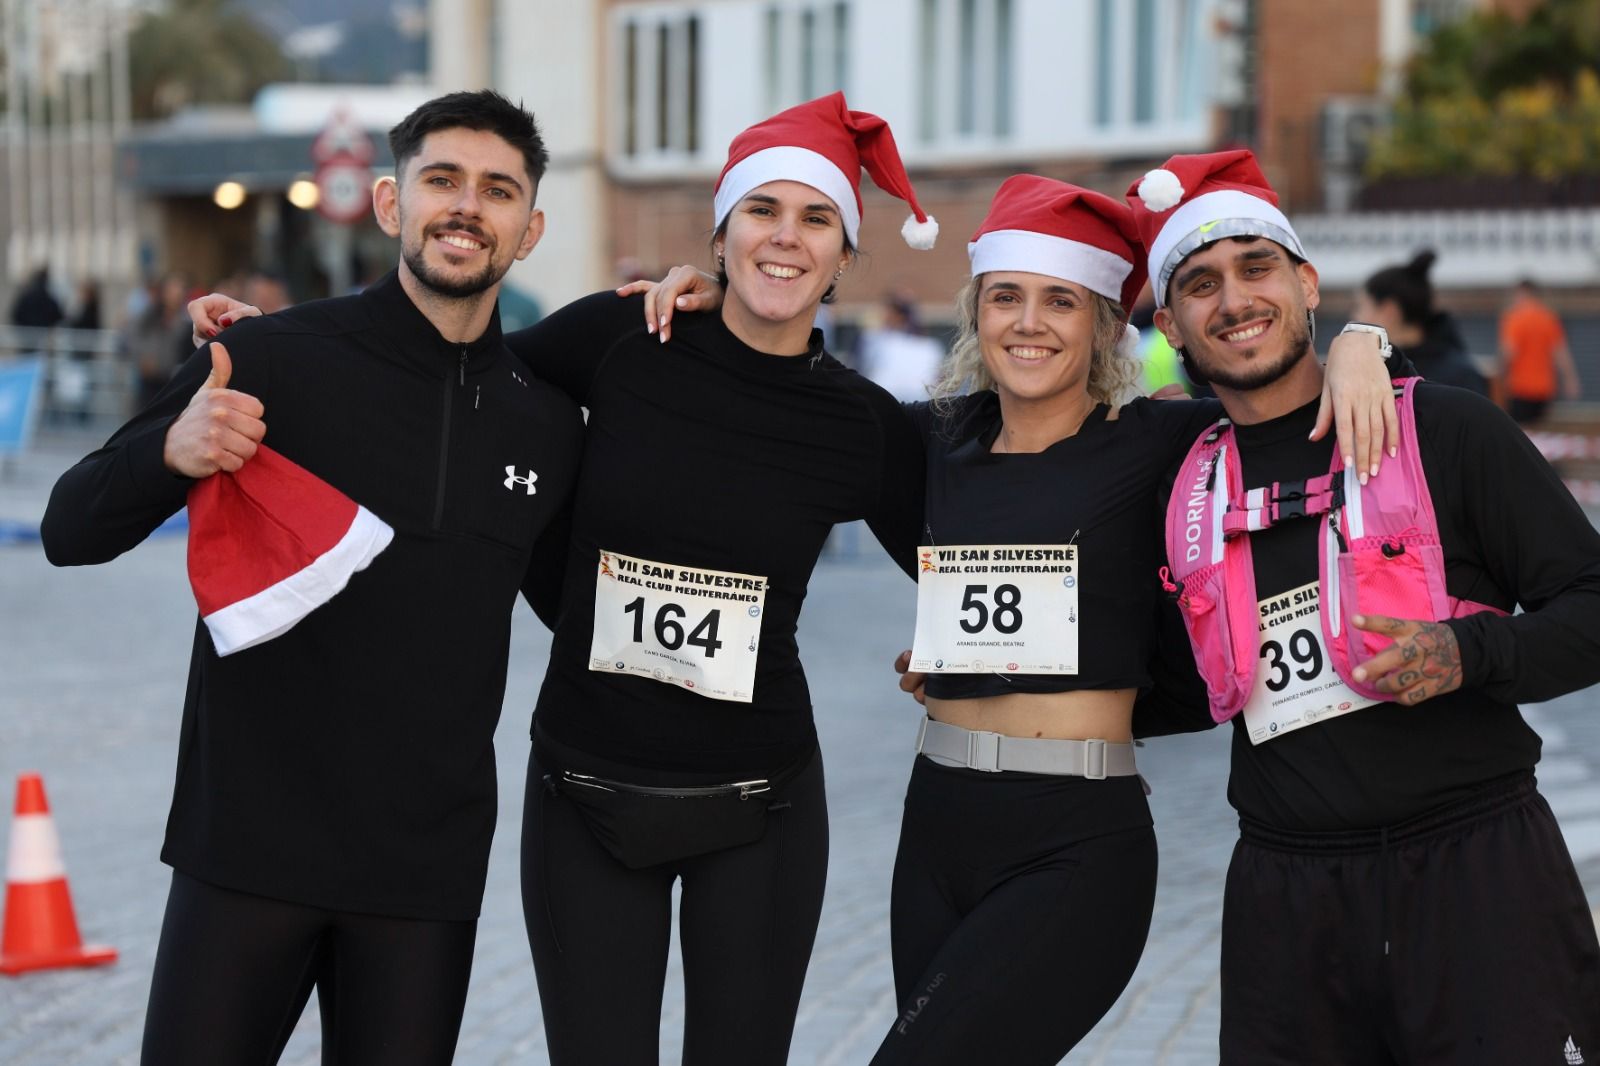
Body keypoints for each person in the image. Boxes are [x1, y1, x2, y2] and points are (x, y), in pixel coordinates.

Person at [41, 89, 584, 1066]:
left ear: (530, 227)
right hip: (244, 853)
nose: (468, 206)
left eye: (498, 190)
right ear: (389, 202)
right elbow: (69, 525)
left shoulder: (543, 424)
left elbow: (583, 613)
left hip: (423, 877)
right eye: (442, 180)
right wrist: (171, 449)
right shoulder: (267, 357)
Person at [867, 175, 1399, 1065]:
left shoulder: (1161, 440)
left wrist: (1361, 342)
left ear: (1107, 326)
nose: (1029, 323)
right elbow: (789, 406)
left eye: (1060, 302)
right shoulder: (936, 440)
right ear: (975, 313)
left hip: (1076, 842)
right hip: (934, 827)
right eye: (1007, 298)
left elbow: (1280, 396)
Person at [1129, 149, 1600, 1064]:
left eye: (1256, 267)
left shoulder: (1446, 429)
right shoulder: (1177, 480)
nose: (1233, 300)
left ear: (1308, 284)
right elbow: (1189, 683)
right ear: (1172, 325)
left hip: (1480, 874)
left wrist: (1471, 655)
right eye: (1199, 284)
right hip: (1285, 900)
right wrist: (1008, 695)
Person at [1354, 250, 1486, 395]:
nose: (1355, 317)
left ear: (1389, 311)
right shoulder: (1461, 371)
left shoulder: (1392, 375)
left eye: (1361, 307)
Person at [1499, 277, 1580, 423]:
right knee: (1542, 435)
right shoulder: (1548, 318)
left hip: (1520, 389)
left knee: (1522, 434)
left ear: (1522, 293)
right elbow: (1560, 352)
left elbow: (1509, 353)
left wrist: (1500, 380)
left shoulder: (1514, 318)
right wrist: (1570, 380)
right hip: (1544, 389)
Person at [855, 287, 946, 401]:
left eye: (888, 311)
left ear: (898, 316)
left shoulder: (928, 346)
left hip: (899, 400)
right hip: (893, 399)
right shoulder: (875, 338)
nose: (884, 315)